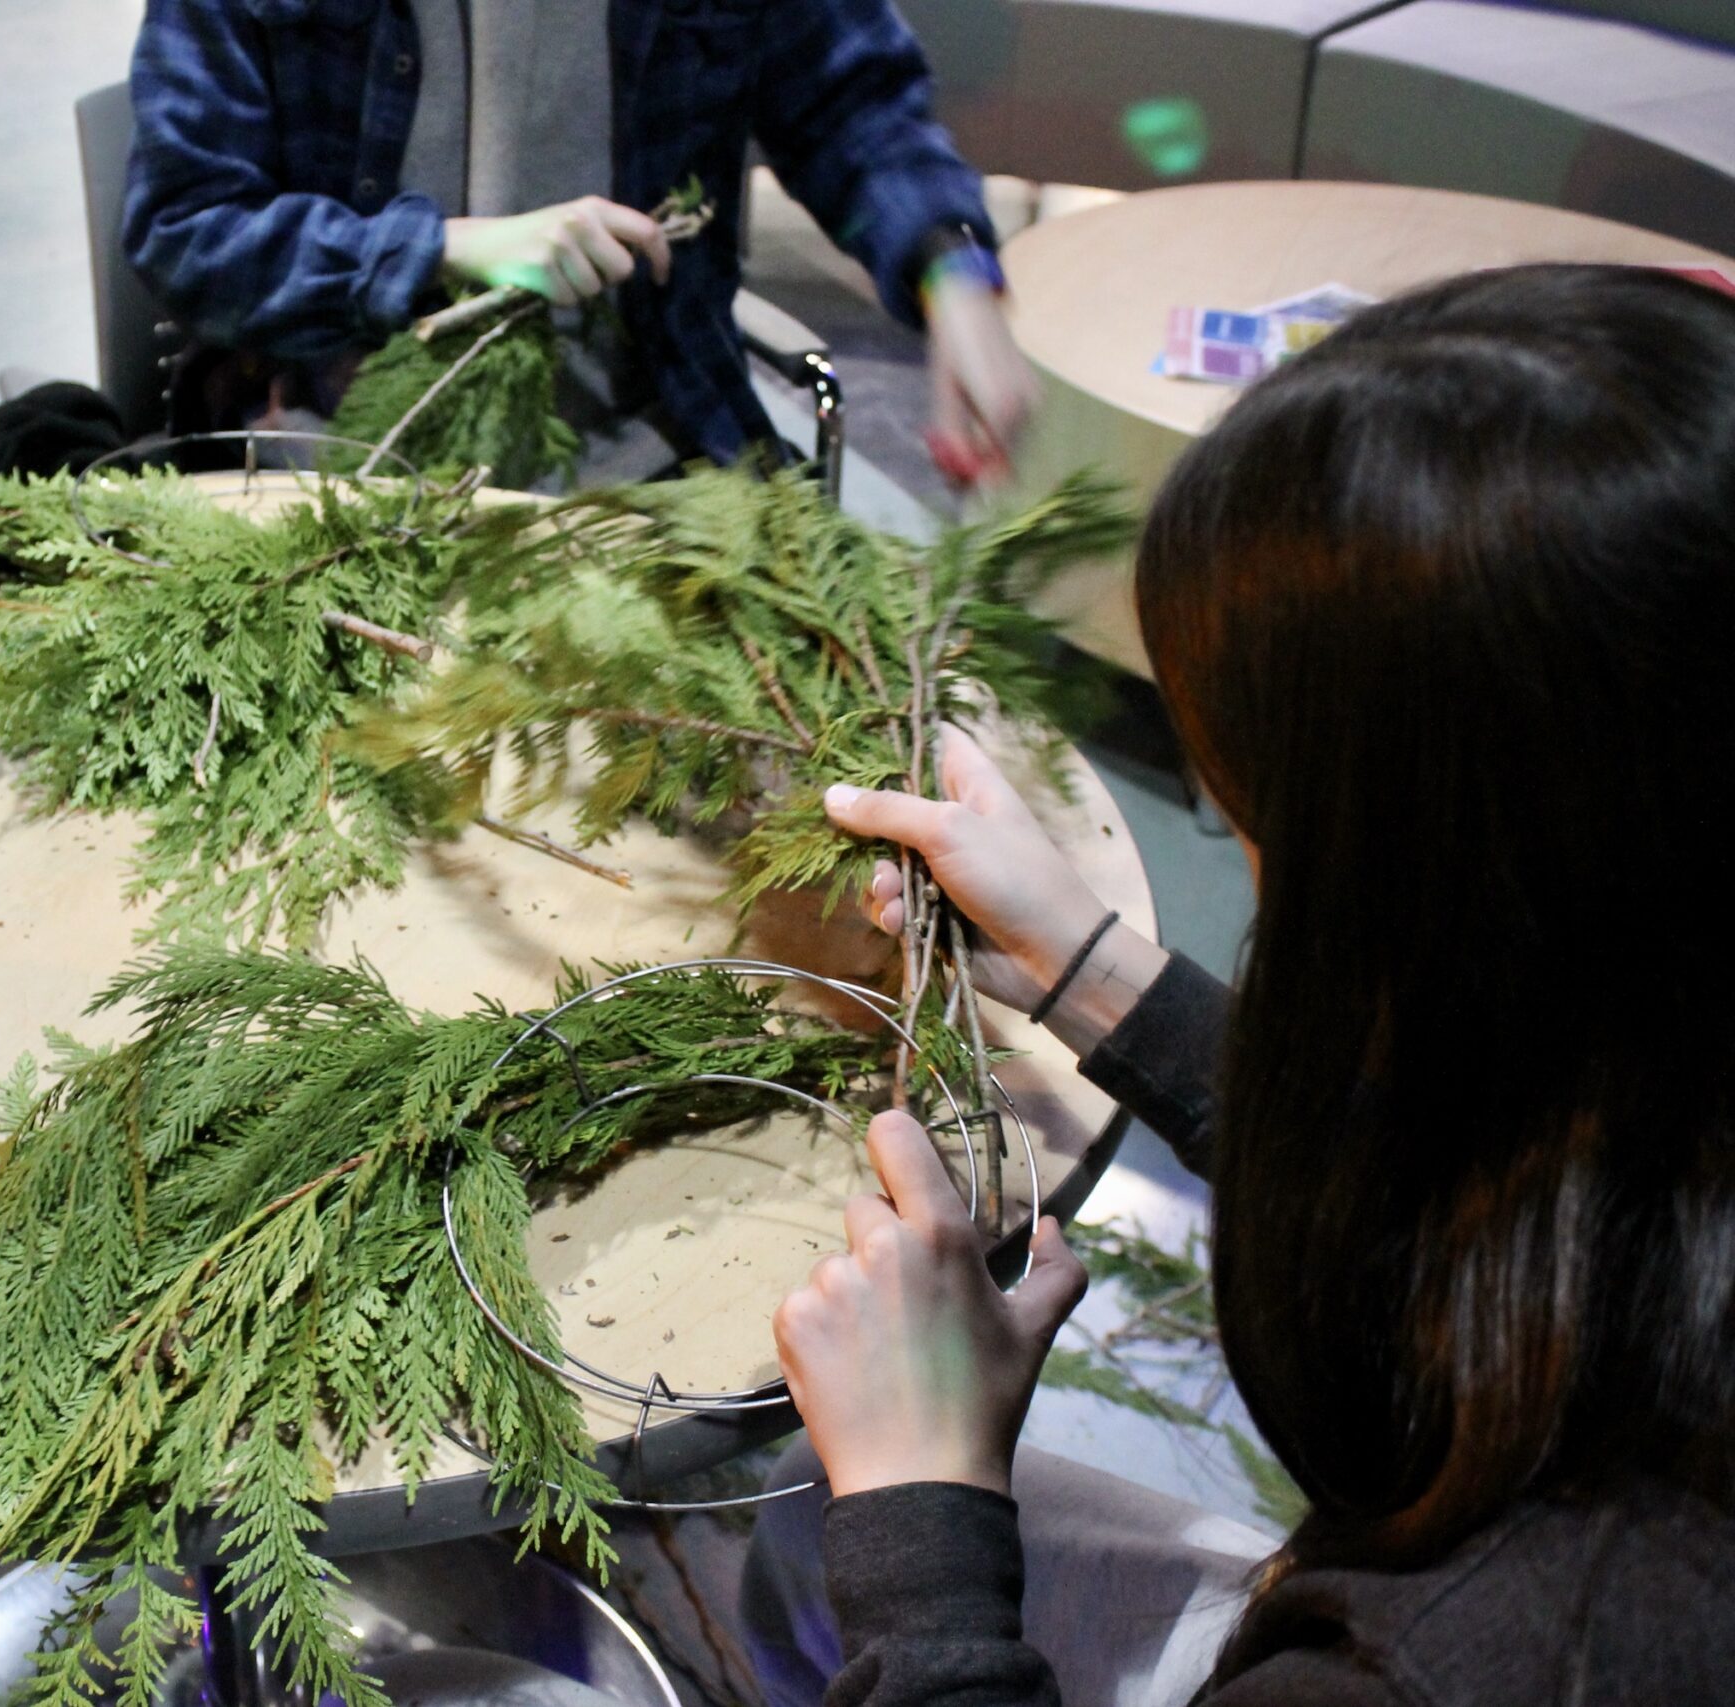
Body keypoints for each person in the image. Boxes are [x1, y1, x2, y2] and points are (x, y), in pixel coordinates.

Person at [753, 264, 1735, 1705]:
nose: (1235, 852)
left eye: (1261, 822)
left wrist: (927, 1510)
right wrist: (1084, 967)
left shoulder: (1491, 1645)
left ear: (1436, 903)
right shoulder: (1659, 1094)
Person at [121, 0, 1036, 484]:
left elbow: (853, 107)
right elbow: (187, 228)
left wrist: (953, 270)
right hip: (351, 460)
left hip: (655, 456)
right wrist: (437, 247)